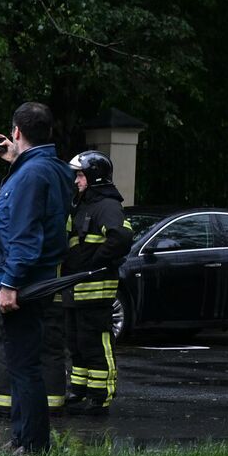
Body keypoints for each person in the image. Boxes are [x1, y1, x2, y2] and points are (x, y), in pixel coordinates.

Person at [0, 102, 75, 456]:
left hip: (22, 282)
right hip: (33, 277)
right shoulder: (51, 168)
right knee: (24, 362)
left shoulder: (32, 175)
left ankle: (33, 446)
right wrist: (16, 160)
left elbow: (24, 234)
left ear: (17, 132)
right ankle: (24, 438)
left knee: (23, 366)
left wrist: (9, 284)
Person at [61, 151, 133, 414]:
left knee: (96, 344)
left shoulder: (107, 206)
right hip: (74, 288)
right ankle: (79, 389)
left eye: (80, 175)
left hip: (95, 289)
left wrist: (94, 262)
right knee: (76, 343)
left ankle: (101, 396)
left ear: (94, 176)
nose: (77, 180)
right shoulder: (82, 204)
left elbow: (122, 238)